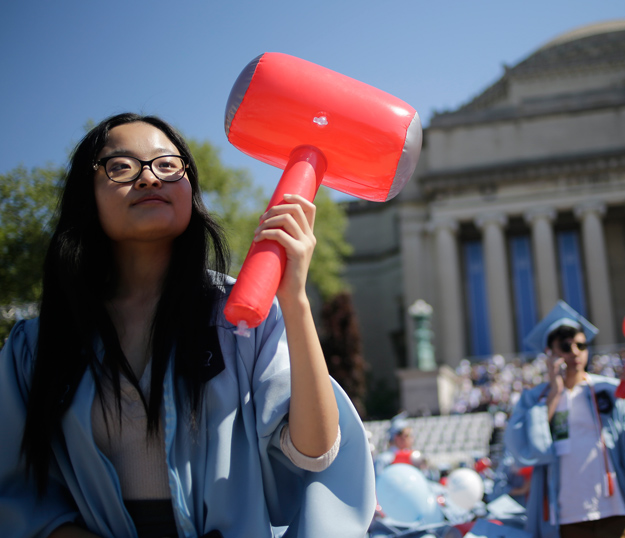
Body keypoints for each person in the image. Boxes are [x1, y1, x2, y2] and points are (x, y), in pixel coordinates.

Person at [0, 113, 375, 538]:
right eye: (121, 166)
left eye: (167, 165)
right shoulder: (37, 346)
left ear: (190, 190)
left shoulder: (240, 320)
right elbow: (16, 496)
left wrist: (294, 299)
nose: (149, 179)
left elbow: (315, 453)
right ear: (86, 193)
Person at [504, 301, 625, 538]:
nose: (574, 352)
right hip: (566, 516)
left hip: (614, 510)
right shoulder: (535, 398)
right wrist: (555, 393)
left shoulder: (609, 389)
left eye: (581, 345)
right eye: (565, 346)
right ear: (550, 353)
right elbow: (522, 448)